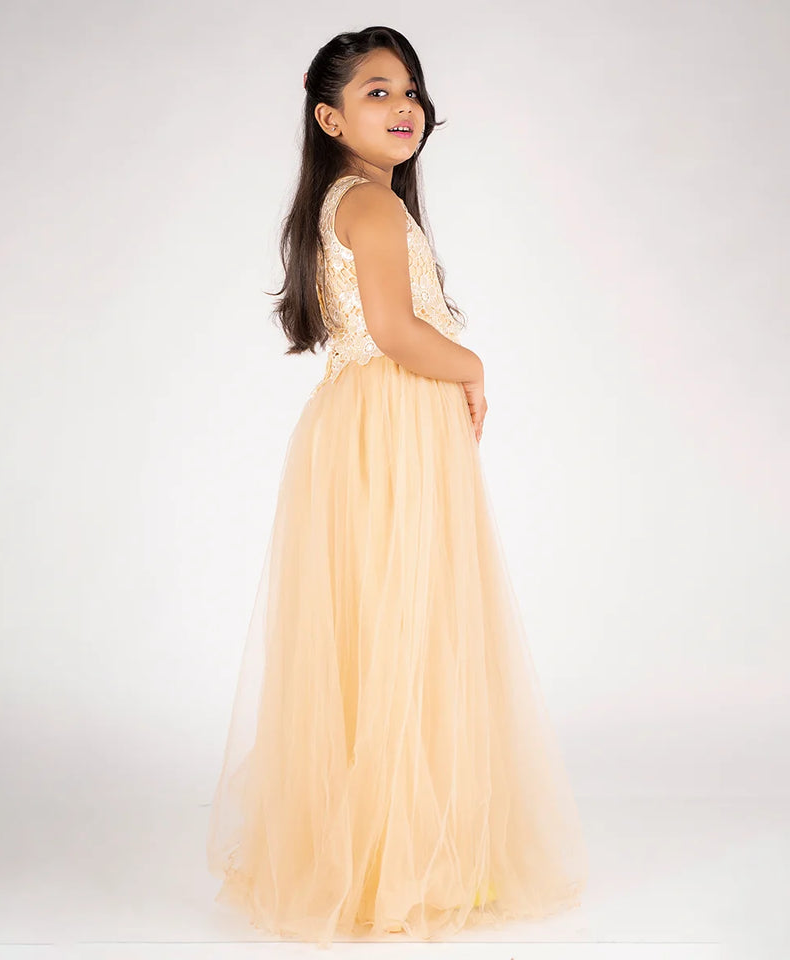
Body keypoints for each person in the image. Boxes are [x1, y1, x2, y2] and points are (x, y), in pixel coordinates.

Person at [206, 25, 587, 949]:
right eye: (377, 92)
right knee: (405, 630)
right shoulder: (369, 208)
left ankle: (384, 855)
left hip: (370, 423)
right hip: (391, 420)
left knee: (381, 633)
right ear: (330, 116)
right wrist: (472, 363)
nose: (404, 106)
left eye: (410, 89)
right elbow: (395, 328)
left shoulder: (356, 203)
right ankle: (402, 861)